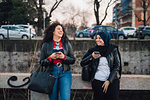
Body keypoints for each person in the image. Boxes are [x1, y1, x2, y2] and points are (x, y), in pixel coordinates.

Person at [80, 32, 122, 100]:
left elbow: (117, 66)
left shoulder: (113, 49)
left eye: (100, 38)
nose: (97, 40)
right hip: (97, 81)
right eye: (96, 38)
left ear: (105, 39)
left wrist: (109, 80)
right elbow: (82, 63)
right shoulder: (92, 50)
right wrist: (92, 56)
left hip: (112, 80)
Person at [40, 21, 75, 100]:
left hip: (65, 73)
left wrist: (63, 57)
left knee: (65, 98)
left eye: (62, 30)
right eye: (58, 29)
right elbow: (42, 62)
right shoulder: (46, 45)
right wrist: (50, 58)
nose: (61, 31)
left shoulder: (66, 44)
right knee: (53, 98)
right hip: (51, 73)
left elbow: (73, 60)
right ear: (53, 31)